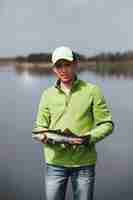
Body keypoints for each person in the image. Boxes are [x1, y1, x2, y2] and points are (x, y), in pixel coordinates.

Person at [32, 46, 114, 200]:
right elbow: (40, 126)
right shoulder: (47, 95)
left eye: (67, 64)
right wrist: (43, 135)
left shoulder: (92, 91)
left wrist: (88, 138)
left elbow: (107, 124)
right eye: (59, 65)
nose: (63, 69)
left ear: (75, 64)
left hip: (84, 164)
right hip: (55, 163)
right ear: (54, 69)